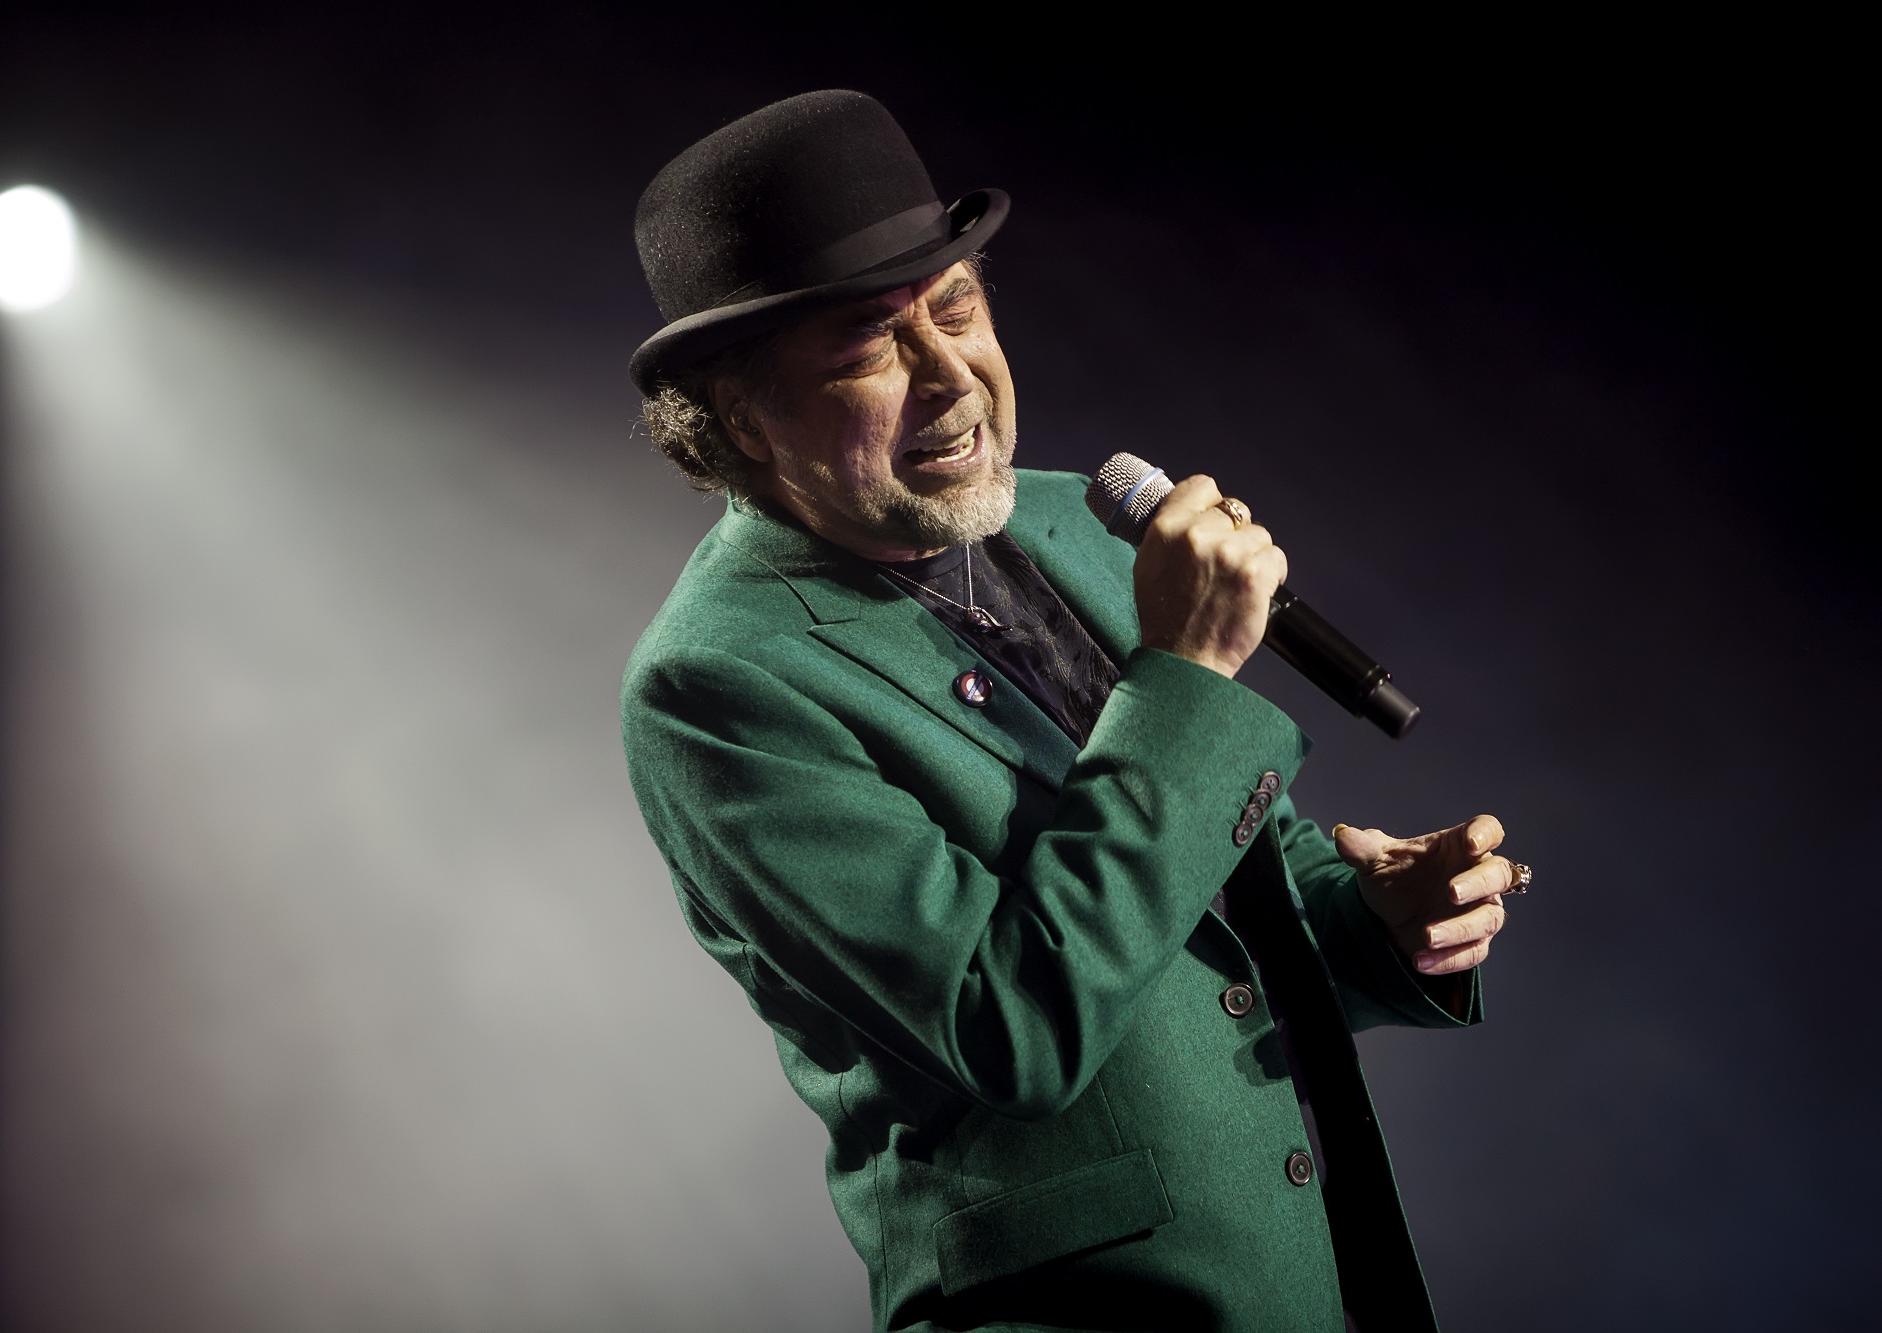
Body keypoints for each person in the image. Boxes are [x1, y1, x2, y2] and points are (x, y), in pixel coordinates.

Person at [620, 90, 1523, 1333]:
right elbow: (1011, 1025)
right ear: (739, 418)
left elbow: (1215, 901)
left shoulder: (1063, 518)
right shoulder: (716, 684)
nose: (952, 378)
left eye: (956, 309)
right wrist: (1184, 675)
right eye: (870, 346)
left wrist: (1374, 923)